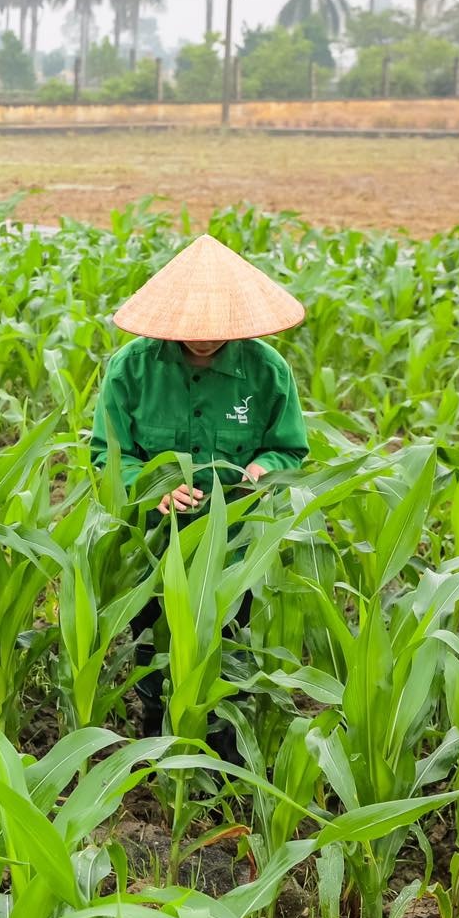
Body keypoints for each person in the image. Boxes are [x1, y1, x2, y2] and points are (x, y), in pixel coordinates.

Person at [89, 234, 308, 740]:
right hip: (153, 543)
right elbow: (108, 456)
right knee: (153, 642)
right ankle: (153, 738)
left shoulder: (267, 372)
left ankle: (224, 749)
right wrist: (155, 488)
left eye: (216, 328)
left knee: (227, 645)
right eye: (192, 327)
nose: (204, 337)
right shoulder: (132, 370)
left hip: (234, 547)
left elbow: (288, 450)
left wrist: (259, 471)